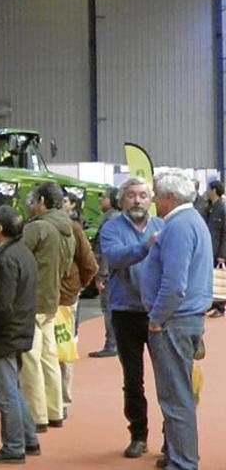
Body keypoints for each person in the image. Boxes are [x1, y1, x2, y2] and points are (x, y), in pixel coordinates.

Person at [142, 172, 211, 470]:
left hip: (174, 321)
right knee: (178, 395)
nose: (154, 200)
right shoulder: (191, 221)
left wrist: (157, 318)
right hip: (185, 318)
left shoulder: (180, 226)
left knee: (175, 398)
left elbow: (174, 283)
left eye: (156, 195)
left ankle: (182, 463)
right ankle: (178, 456)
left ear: (169, 198)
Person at [98, 177, 163, 458]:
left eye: (143, 195)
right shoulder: (111, 228)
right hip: (125, 313)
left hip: (158, 312)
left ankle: (171, 438)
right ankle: (138, 435)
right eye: (131, 195)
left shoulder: (164, 226)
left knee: (168, 378)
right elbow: (113, 258)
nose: (137, 200)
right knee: (133, 379)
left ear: (151, 199)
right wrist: (145, 247)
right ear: (121, 199)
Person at [0, 206, 40, 464]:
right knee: (12, 388)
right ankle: (28, 438)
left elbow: (1, 305)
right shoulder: (23, 253)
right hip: (19, 329)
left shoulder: (4, 260)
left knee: (6, 392)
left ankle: (14, 445)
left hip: (4, 334)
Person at [20, 182, 74, 432]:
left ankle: (36, 415)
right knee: (50, 359)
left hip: (32, 301)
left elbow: (17, 259)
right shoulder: (68, 229)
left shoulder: (38, 228)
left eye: (33, 200)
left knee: (30, 360)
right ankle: (55, 411)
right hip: (52, 300)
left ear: (41, 200)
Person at [57, 196, 98, 419]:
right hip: (62, 298)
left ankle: (58, 402)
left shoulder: (73, 229)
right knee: (63, 350)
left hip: (63, 299)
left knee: (61, 351)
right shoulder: (71, 228)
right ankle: (59, 403)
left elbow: (89, 265)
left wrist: (75, 288)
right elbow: (89, 265)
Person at [89, 187, 121, 358]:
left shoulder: (111, 220)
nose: (100, 199)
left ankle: (112, 344)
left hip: (108, 272)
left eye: (104, 197)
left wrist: (101, 275)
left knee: (108, 308)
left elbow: (105, 250)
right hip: (111, 271)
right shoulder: (114, 217)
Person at [203, 180, 226, 317]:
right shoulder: (209, 208)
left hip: (217, 250)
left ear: (214, 191)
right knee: (209, 278)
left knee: (219, 279)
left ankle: (220, 306)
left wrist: (223, 254)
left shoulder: (223, 209)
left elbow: (225, 233)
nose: (206, 191)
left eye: (208, 189)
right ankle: (211, 304)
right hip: (208, 249)